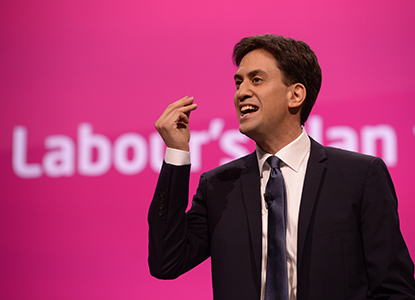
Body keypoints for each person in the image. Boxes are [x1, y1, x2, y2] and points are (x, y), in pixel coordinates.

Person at [148, 34, 415, 300]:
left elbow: (394, 289)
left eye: (256, 80)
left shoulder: (359, 176)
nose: (241, 93)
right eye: (238, 82)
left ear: (296, 94)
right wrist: (176, 153)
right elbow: (167, 262)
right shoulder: (219, 186)